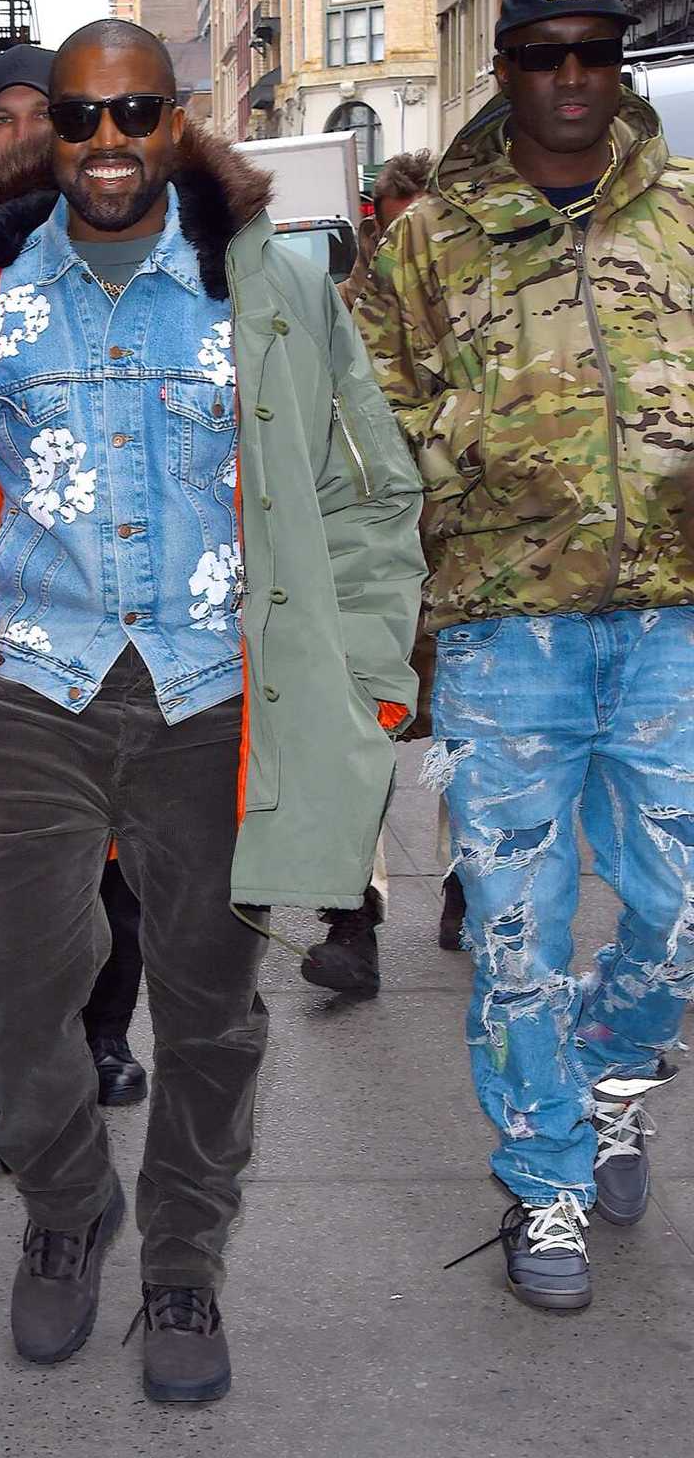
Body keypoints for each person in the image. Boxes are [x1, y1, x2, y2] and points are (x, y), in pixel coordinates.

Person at [0, 17, 424, 1402]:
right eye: (80, 119)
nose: (106, 145)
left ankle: (182, 1254)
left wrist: (361, 675)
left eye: (135, 116)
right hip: (35, 693)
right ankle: (66, 1208)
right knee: (15, 995)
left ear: (179, 121)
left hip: (214, 698)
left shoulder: (272, 290)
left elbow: (371, 490)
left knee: (212, 1010)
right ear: (44, 130)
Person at [357, 0, 694, 1311]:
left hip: (671, 618)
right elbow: (366, 429)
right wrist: (464, 449)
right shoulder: (428, 241)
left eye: (595, 55)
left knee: (677, 915)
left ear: (616, 70)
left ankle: (614, 1075)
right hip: (506, 635)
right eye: (545, 55)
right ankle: (545, 1176)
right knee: (513, 931)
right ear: (503, 72)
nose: (571, 79)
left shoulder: (681, 218)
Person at [0, 43, 148, 1158]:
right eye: (6, 115)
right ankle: (15, 1082)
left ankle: (106, 1041)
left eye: (48, 114)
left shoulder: (131, 246)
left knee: (111, 873)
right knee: (14, 893)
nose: (25, 134)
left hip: (119, 624)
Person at [304, 146, 437, 997]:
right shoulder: (344, 307)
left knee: (475, 736)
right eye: (394, 224)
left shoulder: (481, 288)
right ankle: (355, 914)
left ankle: (470, 884)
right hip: (379, 537)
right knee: (363, 722)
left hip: (476, 548)